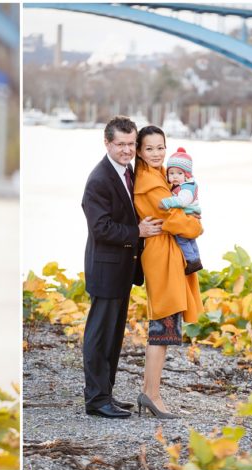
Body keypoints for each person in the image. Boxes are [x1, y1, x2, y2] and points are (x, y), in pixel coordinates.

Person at [81, 116, 164, 419]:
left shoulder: (128, 171)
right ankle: (96, 400)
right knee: (99, 337)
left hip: (122, 270)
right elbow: (101, 228)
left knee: (114, 337)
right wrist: (137, 232)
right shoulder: (99, 179)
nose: (128, 150)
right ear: (107, 143)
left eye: (131, 144)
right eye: (121, 145)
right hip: (105, 269)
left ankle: (107, 395)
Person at [133, 126, 204, 419]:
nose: (156, 153)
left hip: (164, 254)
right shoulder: (152, 184)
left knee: (163, 325)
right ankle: (152, 395)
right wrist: (197, 225)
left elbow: (174, 219)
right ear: (139, 151)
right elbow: (177, 221)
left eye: (160, 147)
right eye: (149, 149)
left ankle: (150, 392)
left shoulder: (159, 175)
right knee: (161, 328)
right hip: (163, 257)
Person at [159, 147, 203, 275]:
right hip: (190, 215)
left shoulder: (187, 188)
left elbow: (182, 201)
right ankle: (196, 259)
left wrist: (167, 202)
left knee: (182, 238)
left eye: (179, 173)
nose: (175, 177)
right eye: (171, 173)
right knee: (191, 240)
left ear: (187, 175)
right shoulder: (184, 185)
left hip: (189, 214)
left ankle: (191, 260)